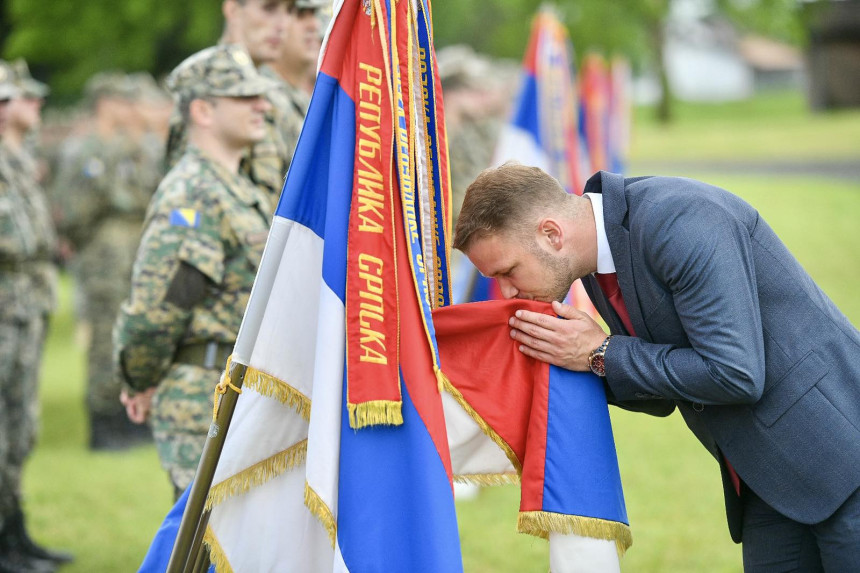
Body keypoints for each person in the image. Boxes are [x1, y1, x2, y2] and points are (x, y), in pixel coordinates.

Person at [453, 163, 860, 571]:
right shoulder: (595, 257)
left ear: (552, 234)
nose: (505, 292)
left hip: (840, 463)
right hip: (768, 484)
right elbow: (660, 393)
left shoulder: (680, 220)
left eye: (508, 272)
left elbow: (735, 372)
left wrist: (601, 354)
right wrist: (573, 361)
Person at [114, 44, 277, 498]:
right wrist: (140, 378)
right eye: (245, 98)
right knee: (206, 548)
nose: (262, 104)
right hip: (203, 396)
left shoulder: (236, 187)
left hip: (240, 390)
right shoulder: (192, 194)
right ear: (203, 110)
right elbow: (159, 309)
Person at [52, 72, 156, 450]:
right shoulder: (87, 149)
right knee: (103, 341)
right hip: (102, 259)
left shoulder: (131, 146)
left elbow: (146, 192)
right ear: (105, 103)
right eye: (123, 101)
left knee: (129, 335)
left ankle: (128, 415)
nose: (132, 108)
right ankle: (104, 420)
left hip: (131, 255)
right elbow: (73, 210)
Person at [0, 59, 72, 573]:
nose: (35, 103)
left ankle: (13, 532)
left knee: (20, 427)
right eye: (24, 97)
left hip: (25, 308)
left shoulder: (19, 158)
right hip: (6, 309)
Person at [165, 0, 294, 214]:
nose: (283, 24)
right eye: (269, 8)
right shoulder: (201, 86)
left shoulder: (278, 100)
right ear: (233, 9)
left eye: (289, 11)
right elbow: (192, 203)